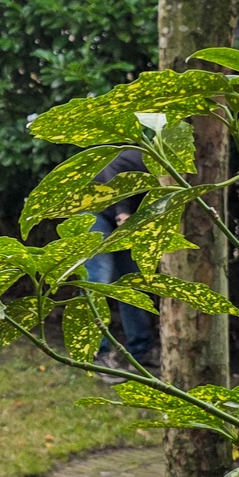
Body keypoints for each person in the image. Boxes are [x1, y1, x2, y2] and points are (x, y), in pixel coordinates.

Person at [81, 147, 156, 374]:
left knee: (132, 284)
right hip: (96, 213)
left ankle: (141, 353)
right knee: (97, 282)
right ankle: (97, 353)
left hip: (127, 224)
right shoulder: (144, 155)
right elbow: (113, 169)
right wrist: (122, 212)